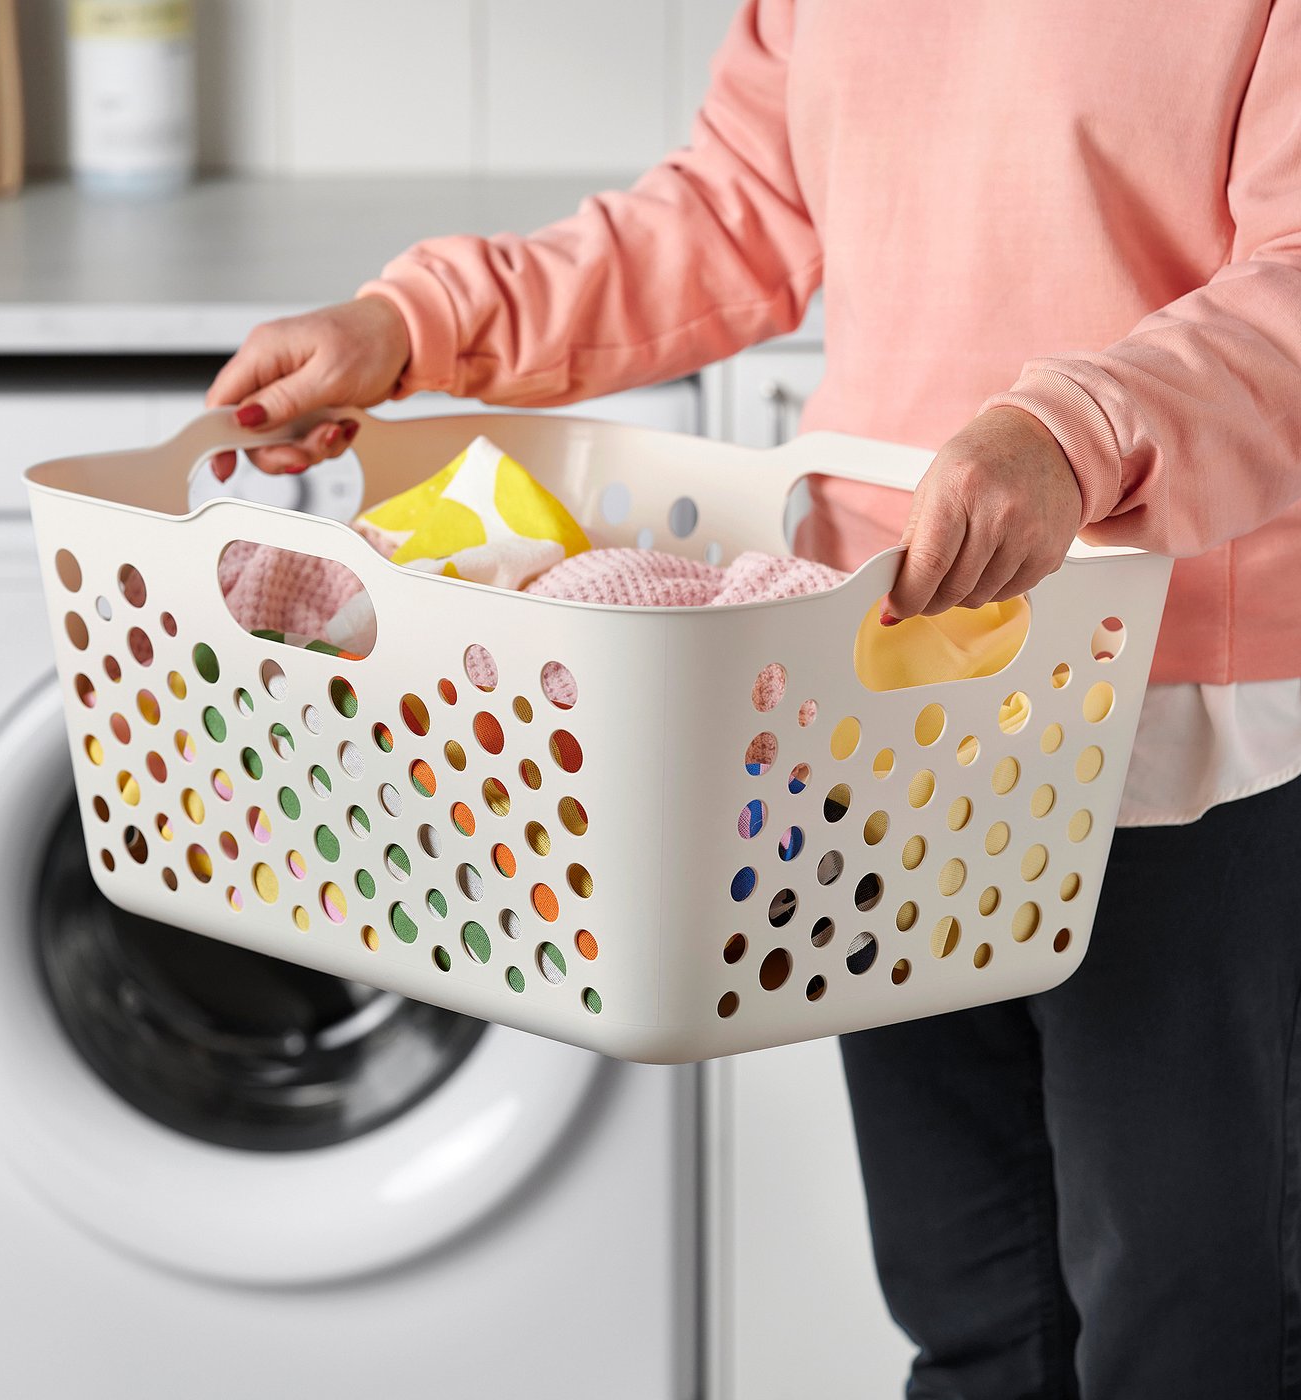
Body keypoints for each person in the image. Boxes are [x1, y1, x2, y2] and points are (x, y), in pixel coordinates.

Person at [207, 2, 1301, 1395]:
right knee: (973, 1308)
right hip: (878, 695)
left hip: (1168, 704)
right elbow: (729, 211)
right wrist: (415, 324)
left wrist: (1073, 435)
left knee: (1186, 1325)